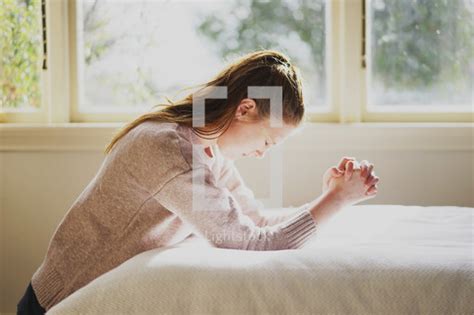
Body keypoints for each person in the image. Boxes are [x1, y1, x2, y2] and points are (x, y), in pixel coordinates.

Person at [17, 50, 379, 314]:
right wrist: (337, 201)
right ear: (245, 108)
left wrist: (329, 196)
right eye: (268, 141)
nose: (263, 154)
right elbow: (249, 243)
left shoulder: (207, 151)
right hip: (59, 303)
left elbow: (257, 223)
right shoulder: (168, 148)